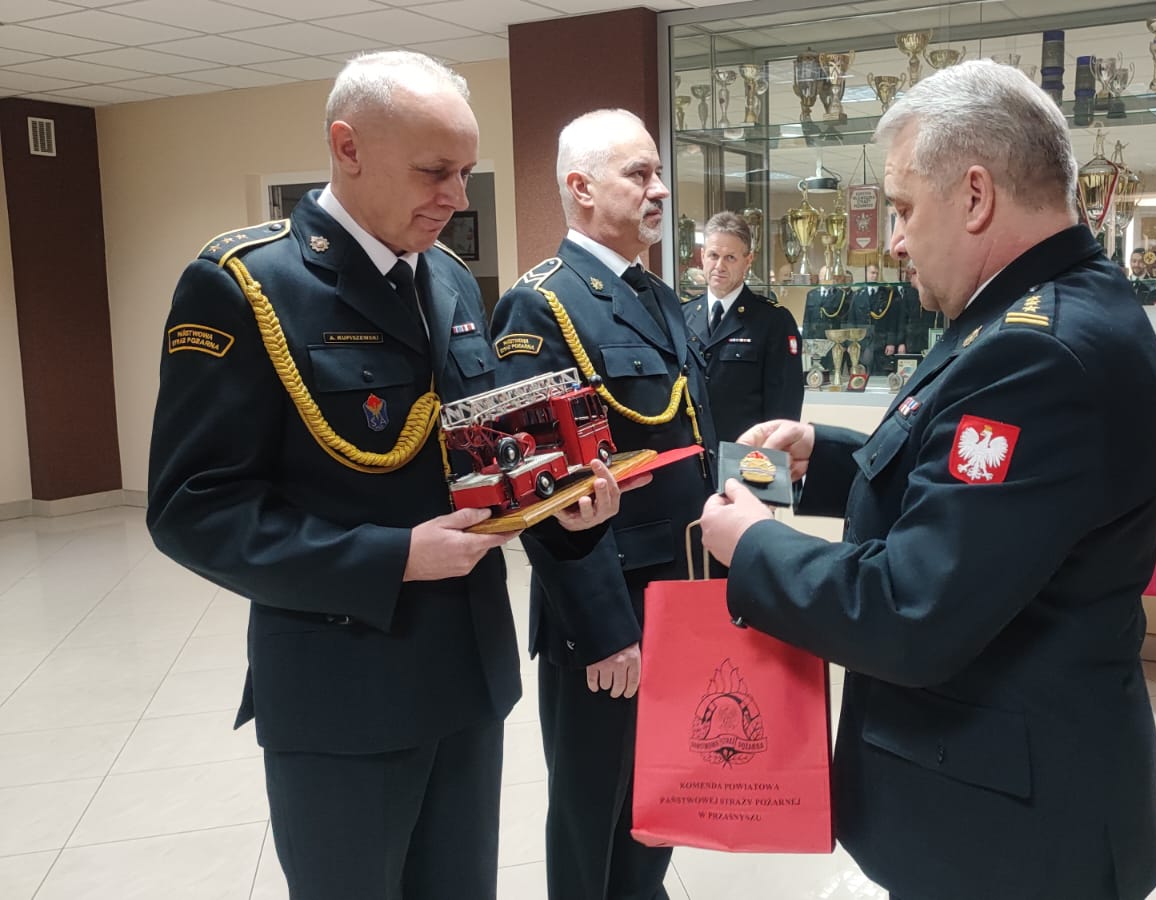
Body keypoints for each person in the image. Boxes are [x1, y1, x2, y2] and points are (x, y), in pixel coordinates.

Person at [146, 51, 627, 899]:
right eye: (435, 171)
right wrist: (391, 556)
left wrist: (560, 510)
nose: (458, 198)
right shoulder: (250, 285)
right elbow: (193, 508)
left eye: (466, 172)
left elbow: (477, 457)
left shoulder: (450, 280)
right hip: (345, 690)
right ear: (348, 147)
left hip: (467, 676)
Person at [698, 60, 1156, 900]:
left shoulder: (1036, 351)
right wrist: (821, 460)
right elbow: (968, 488)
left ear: (976, 196)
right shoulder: (1032, 310)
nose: (894, 240)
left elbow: (910, 610)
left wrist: (757, 548)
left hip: (1009, 837)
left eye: (904, 208)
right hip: (1004, 795)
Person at [488, 107, 716, 900]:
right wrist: (603, 630)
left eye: (658, 173)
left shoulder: (657, 295)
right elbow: (539, 493)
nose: (660, 190)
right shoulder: (540, 306)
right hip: (610, 611)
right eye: (638, 174)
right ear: (581, 188)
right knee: (594, 811)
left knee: (661, 798)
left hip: (681, 595)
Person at [682, 211, 804, 441]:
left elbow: (784, 408)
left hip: (746, 452)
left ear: (748, 261)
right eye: (713, 255)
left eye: (730, 257)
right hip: (694, 452)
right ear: (702, 256)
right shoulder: (682, 316)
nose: (719, 266)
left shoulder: (774, 321)